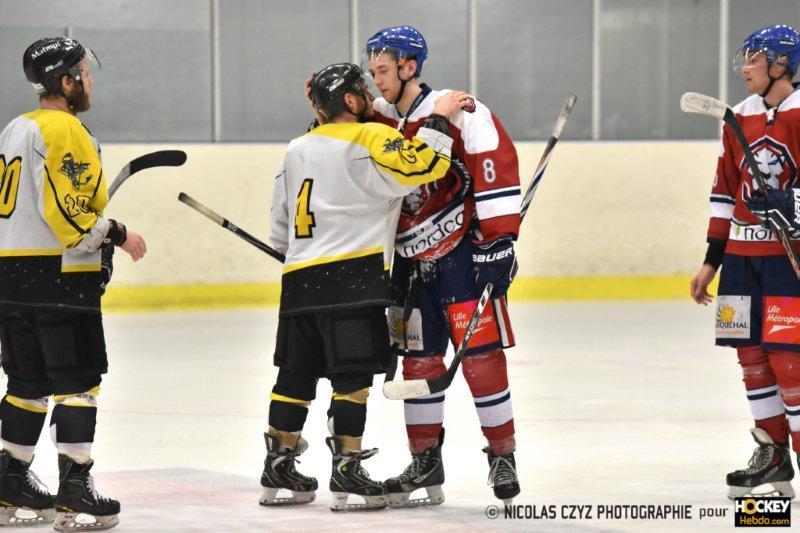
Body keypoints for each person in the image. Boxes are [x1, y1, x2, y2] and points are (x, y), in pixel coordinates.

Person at [262, 62, 468, 511]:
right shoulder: (370, 137)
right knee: (351, 379)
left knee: (294, 375)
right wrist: (439, 119)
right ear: (351, 101)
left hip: (298, 281)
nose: (372, 96)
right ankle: (347, 469)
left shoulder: (297, 148)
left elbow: (280, 225)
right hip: (352, 278)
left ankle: (278, 466)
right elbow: (424, 166)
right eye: (363, 89)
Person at [364, 26, 522, 506]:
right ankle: (425, 461)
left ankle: (502, 455)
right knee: (418, 361)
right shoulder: (378, 117)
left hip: (462, 259)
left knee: (481, 358)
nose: (377, 80)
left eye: (384, 70)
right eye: (372, 72)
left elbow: (494, 164)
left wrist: (499, 241)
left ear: (410, 66)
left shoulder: (458, 109)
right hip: (408, 264)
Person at [0, 37, 146, 530]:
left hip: (11, 275)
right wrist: (114, 234)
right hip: (58, 277)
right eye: (84, 73)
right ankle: (75, 491)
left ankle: (9, 482)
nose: (90, 81)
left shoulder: (15, 127)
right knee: (78, 384)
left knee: (27, 384)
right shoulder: (65, 129)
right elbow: (70, 211)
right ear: (66, 81)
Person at [690, 24, 800, 499]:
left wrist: (793, 203)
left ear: (781, 63)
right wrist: (711, 260)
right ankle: (773, 456)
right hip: (739, 259)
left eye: (755, 58)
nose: (745, 67)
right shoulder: (738, 116)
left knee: (788, 360)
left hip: (785, 261)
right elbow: (723, 191)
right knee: (750, 356)